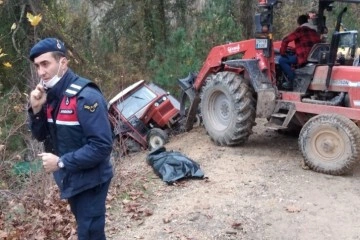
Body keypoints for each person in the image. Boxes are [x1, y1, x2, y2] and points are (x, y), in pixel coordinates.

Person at [28, 38, 113, 240]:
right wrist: (36, 109)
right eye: (37, 66)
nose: (40, 72)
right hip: (71, 178)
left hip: (92, 180)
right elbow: (40, 135)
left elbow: (102, 146)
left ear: (63, 63)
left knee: (89, 232)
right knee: (87, 229)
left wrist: (61, 162)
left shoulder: (85, 97)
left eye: (45, 64)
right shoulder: (50, 97)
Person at [279, 15, 321, 89]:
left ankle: (292, 81)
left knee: (282, 60)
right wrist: (295, 50)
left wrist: (282, 52)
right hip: (316, 57)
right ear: (307, 21)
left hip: (304, 57)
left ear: (299, 23)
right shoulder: (314, 31)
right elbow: (307, 44)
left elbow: (286, 40)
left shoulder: (301, 30)